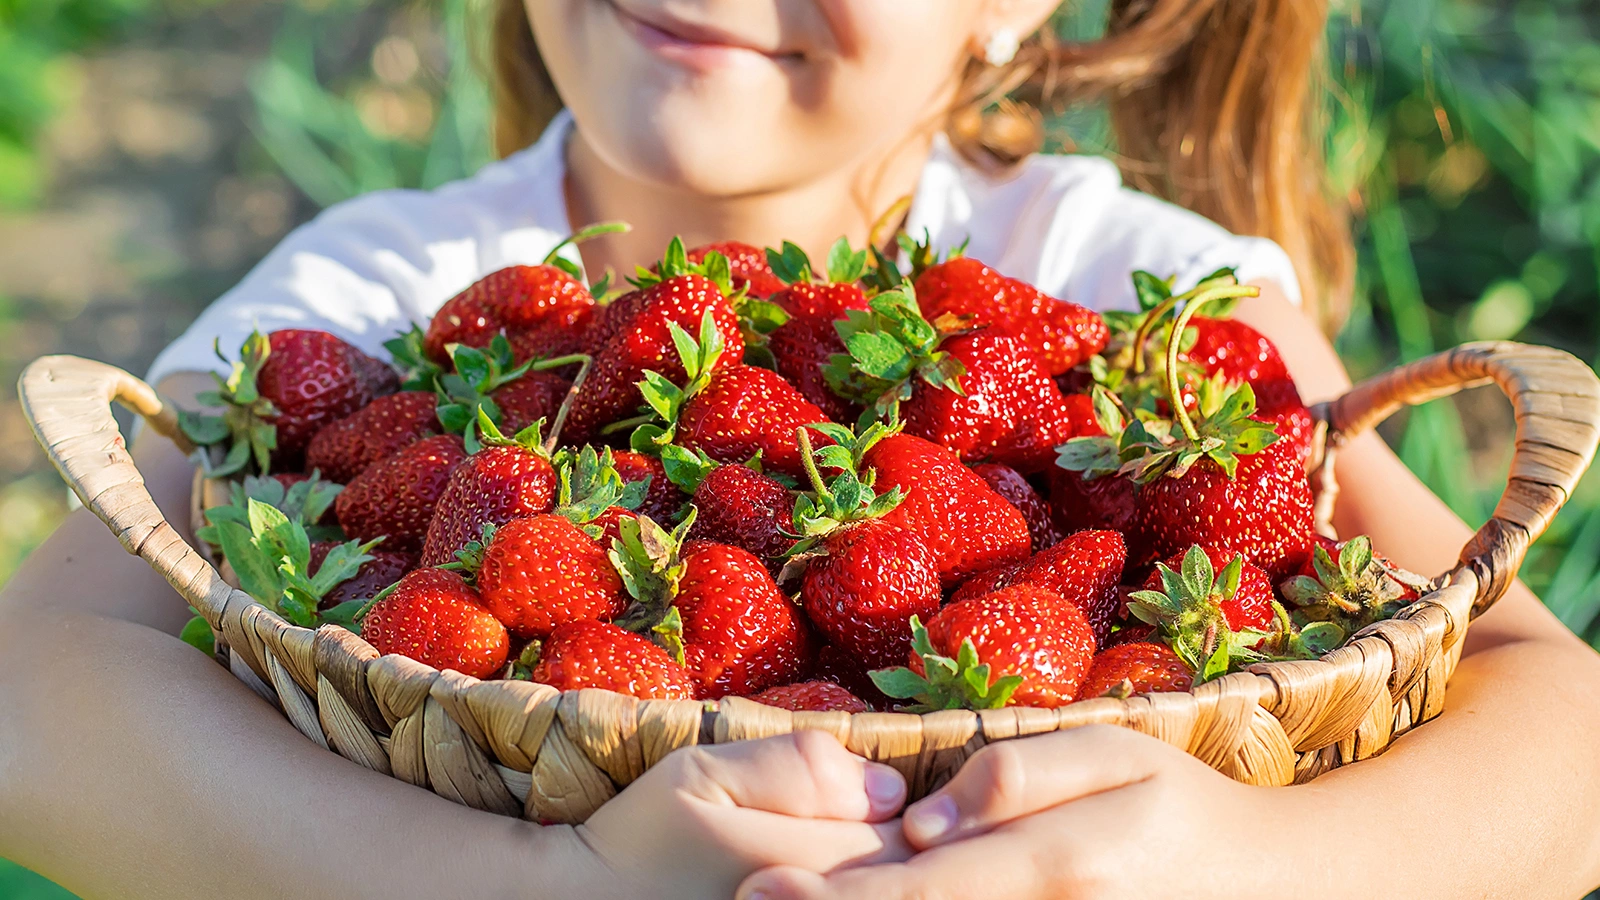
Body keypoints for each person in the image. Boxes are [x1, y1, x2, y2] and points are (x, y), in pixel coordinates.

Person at [2, 1, 1598, 897]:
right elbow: (34, 697)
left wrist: (1253, 870)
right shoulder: (380, 306)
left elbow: (1565, 740)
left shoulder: (1138, 301)